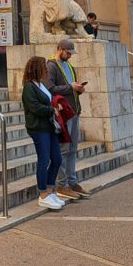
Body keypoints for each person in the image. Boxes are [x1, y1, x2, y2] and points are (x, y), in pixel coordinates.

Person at [46, 36, 89, 199]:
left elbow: (69, 87)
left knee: (72, 149)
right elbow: (50, 89)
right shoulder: (51, 66)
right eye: (68, 53)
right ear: (60, 49)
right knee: (63, 149)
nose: (70, 56)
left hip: (74, 111)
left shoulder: (69, 66)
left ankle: (72, 182)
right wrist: (70, 87)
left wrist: (78, 89)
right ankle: (61, 185)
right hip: (63, 114)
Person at [21, 56, 66, 210]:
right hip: (38, 128)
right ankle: (43, 194)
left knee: (57, 159)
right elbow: (34, 107)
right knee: (44, 159)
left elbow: (48, 100)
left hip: (49, 126)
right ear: (37, 68)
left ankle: (50, 189)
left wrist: (56, 105)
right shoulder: (29, 87)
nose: (46, 71)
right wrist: (51, 109)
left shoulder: (41, 85)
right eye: (44, 68)